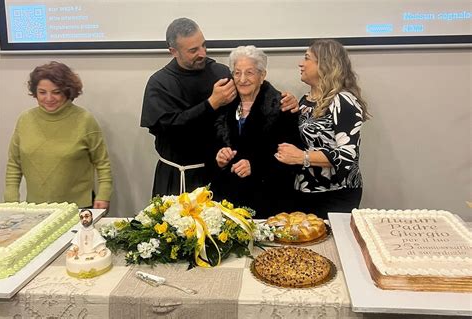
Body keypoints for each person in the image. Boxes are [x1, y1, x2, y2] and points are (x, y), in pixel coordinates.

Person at [140, 17, 298, 197]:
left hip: (219, 174)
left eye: (203, 45)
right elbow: (170, 130)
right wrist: (211, 104)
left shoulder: (220, 72)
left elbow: (253, 92)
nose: (202, 53)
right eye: (193, 50)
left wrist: (285, 100)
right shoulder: (159, 83)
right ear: (173, 52)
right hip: (177, 174)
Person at [275, 39, 370, 219]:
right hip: (304, 193)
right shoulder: (305, 100)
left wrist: (302, 157)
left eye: (307, 58)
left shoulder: (343, 101)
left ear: (325, 64)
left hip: (336, 195)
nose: (300, 64)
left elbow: (348, 156)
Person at [4, 61, 112, 209]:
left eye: (56, 92)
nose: (48, 98)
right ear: (35, 92)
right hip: (35, 209)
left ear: (68, 92)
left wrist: (104, 195)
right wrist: (11, 200)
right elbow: (14, 164)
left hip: (79, 208)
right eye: (42, 92)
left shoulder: (85, 120)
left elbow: (102, 163)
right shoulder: (25, 120)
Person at [212, 46, 300, 218]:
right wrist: (219, 157)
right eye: (237, 73)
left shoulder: (282, 106)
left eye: (249, 73)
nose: (242, 79)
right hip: (227, 201)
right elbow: (210, 144)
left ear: (262, 75)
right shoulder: (224, 105)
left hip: (267, 202)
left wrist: (256, 167)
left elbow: (291, 158)